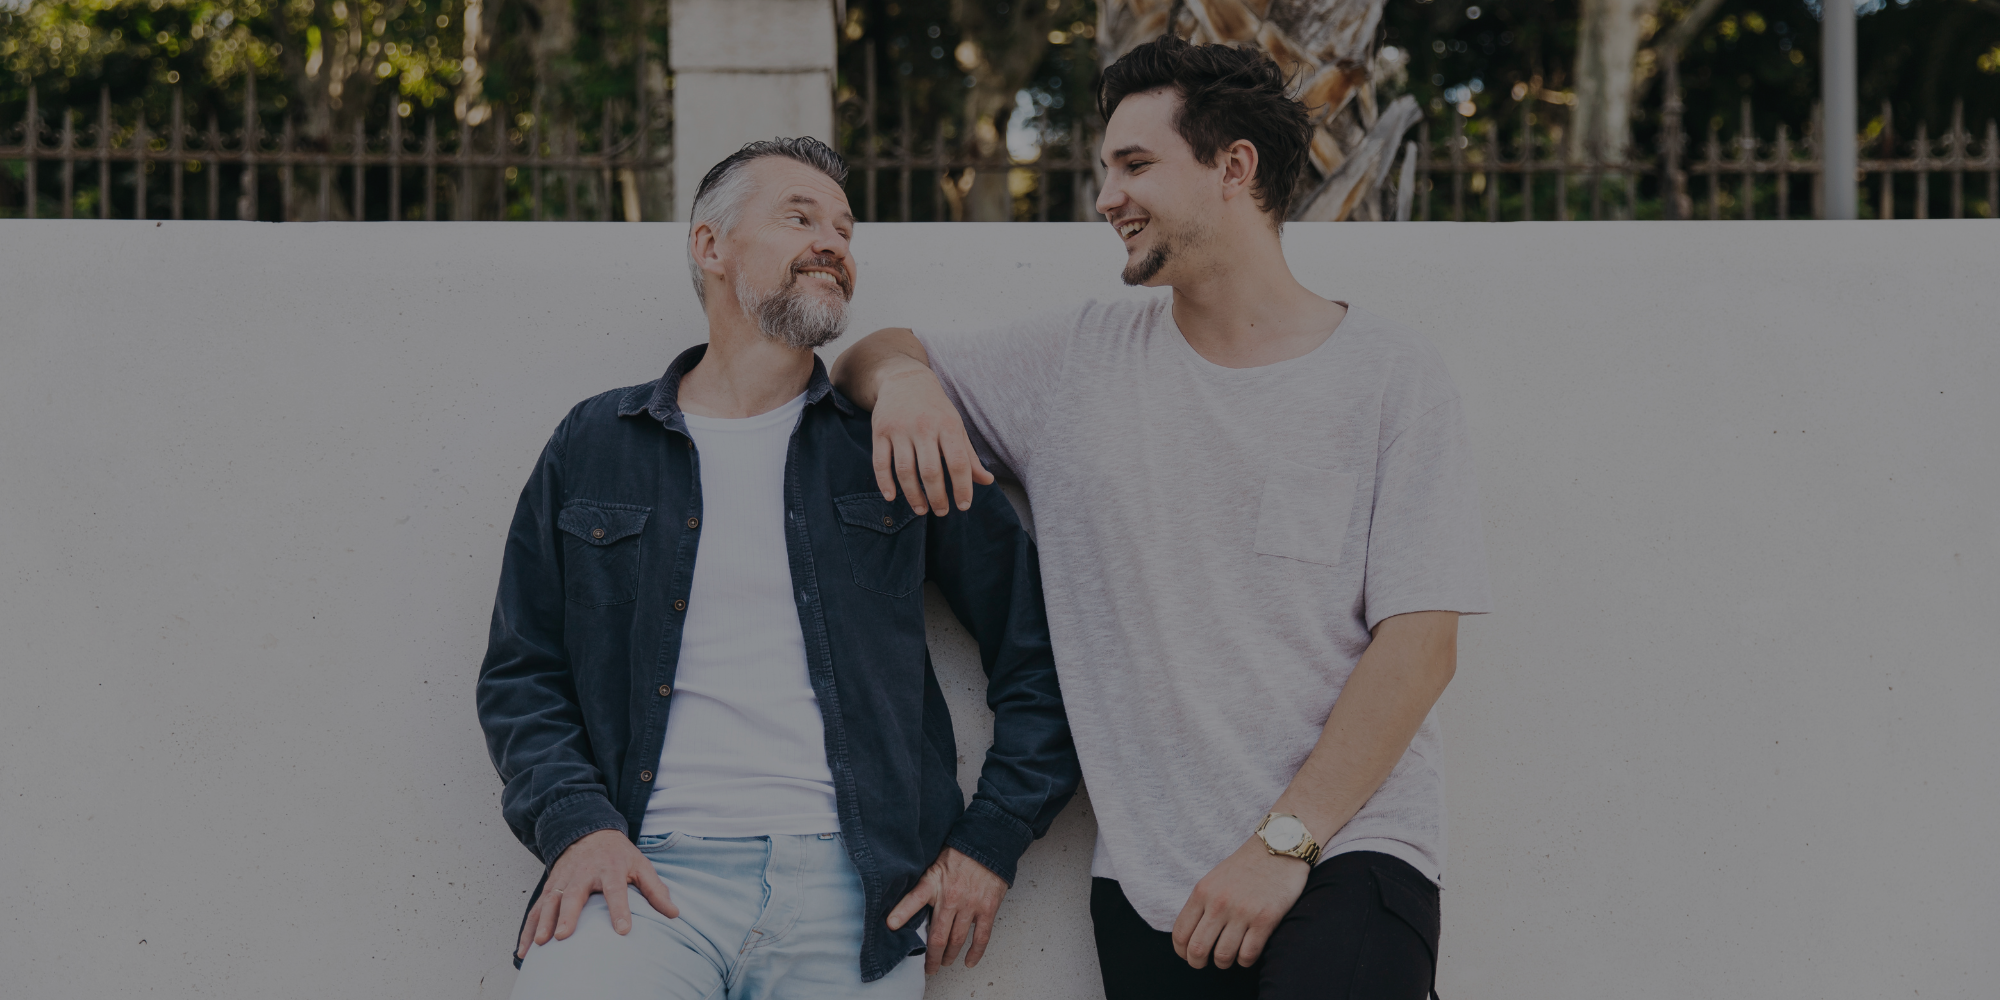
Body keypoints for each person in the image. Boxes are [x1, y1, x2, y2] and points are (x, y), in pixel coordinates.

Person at [831, 37, 1491, 1000]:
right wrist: (903, 383)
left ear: (1234, 168)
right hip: (1150, 892)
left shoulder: (1388, 373)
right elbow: (869, 353)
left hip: (1345, 853)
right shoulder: (1075, 362)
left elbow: (1423, 643)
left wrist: (1282, 846)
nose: (1106, 196)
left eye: (1136, 165)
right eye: (1106, 169)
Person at [477, 137, 1080, 1000]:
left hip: (852, 891)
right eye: (799, 217)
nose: (834, 241)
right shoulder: (596, 444)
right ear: (710, 246)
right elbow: (521, 672)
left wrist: (992, 840)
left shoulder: (892, 442)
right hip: (641, 880)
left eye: (844, 227)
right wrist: (577, 828)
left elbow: (1041, 657)